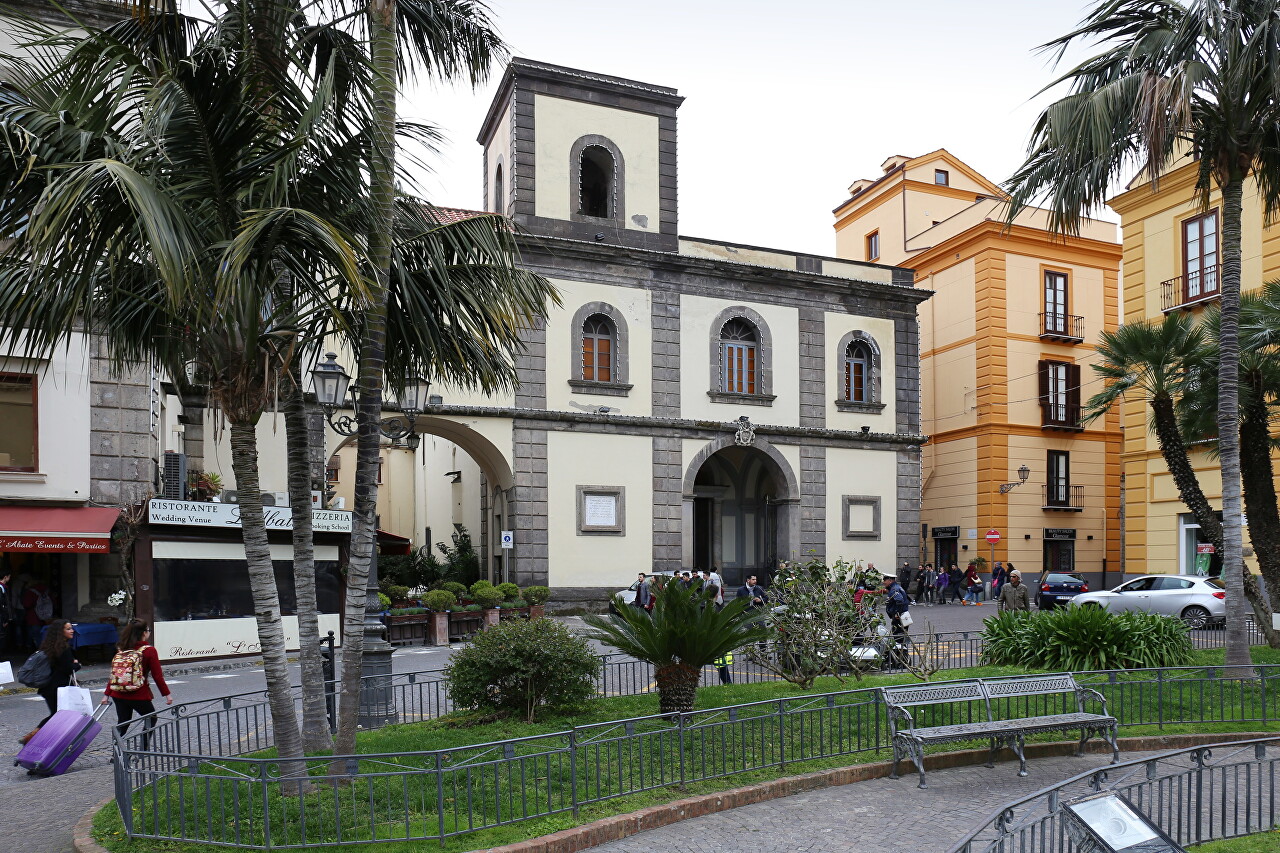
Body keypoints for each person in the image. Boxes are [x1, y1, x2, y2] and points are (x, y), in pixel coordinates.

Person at [101, 619, 173, 749]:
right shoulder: (149, 650)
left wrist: (107, 694)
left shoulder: (122, 649)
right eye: (148, 630)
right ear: (144, 633)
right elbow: (157, 676)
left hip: (118, 693)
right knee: (151, 718)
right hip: (138, 693)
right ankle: (143, 748)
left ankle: (116, 752)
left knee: (123, 721)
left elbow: (114, 674)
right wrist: (167, 694)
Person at [18, 618, 80, 745]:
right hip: (59, 687)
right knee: (59, 715)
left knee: (57, 714)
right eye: (68, 629)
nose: (72, 631)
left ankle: (36, 736)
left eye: (71, 628)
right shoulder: (64, 648)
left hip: (48, 687)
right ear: (60, 632)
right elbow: (67, 669)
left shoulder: (49, 647)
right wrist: (77, 665)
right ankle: (36, 736)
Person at [882, 573, 911, 668]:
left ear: (890, 580)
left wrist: (897, 613)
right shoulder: (897, 587)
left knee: (899, 639)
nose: (883, 582)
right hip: (903, 617)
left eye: (885, 580)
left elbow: (900, 601)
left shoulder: (894, 589)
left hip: (899, 619)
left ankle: (902, 661)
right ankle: (902, 660)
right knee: (902, 638)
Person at [21, 580, 53, 651]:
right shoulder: (47, 590)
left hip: (33, 617)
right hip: (47, 617)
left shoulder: (31, 591)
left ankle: (36, 651)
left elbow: (26, 604)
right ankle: (45, 651)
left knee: (35, 635)